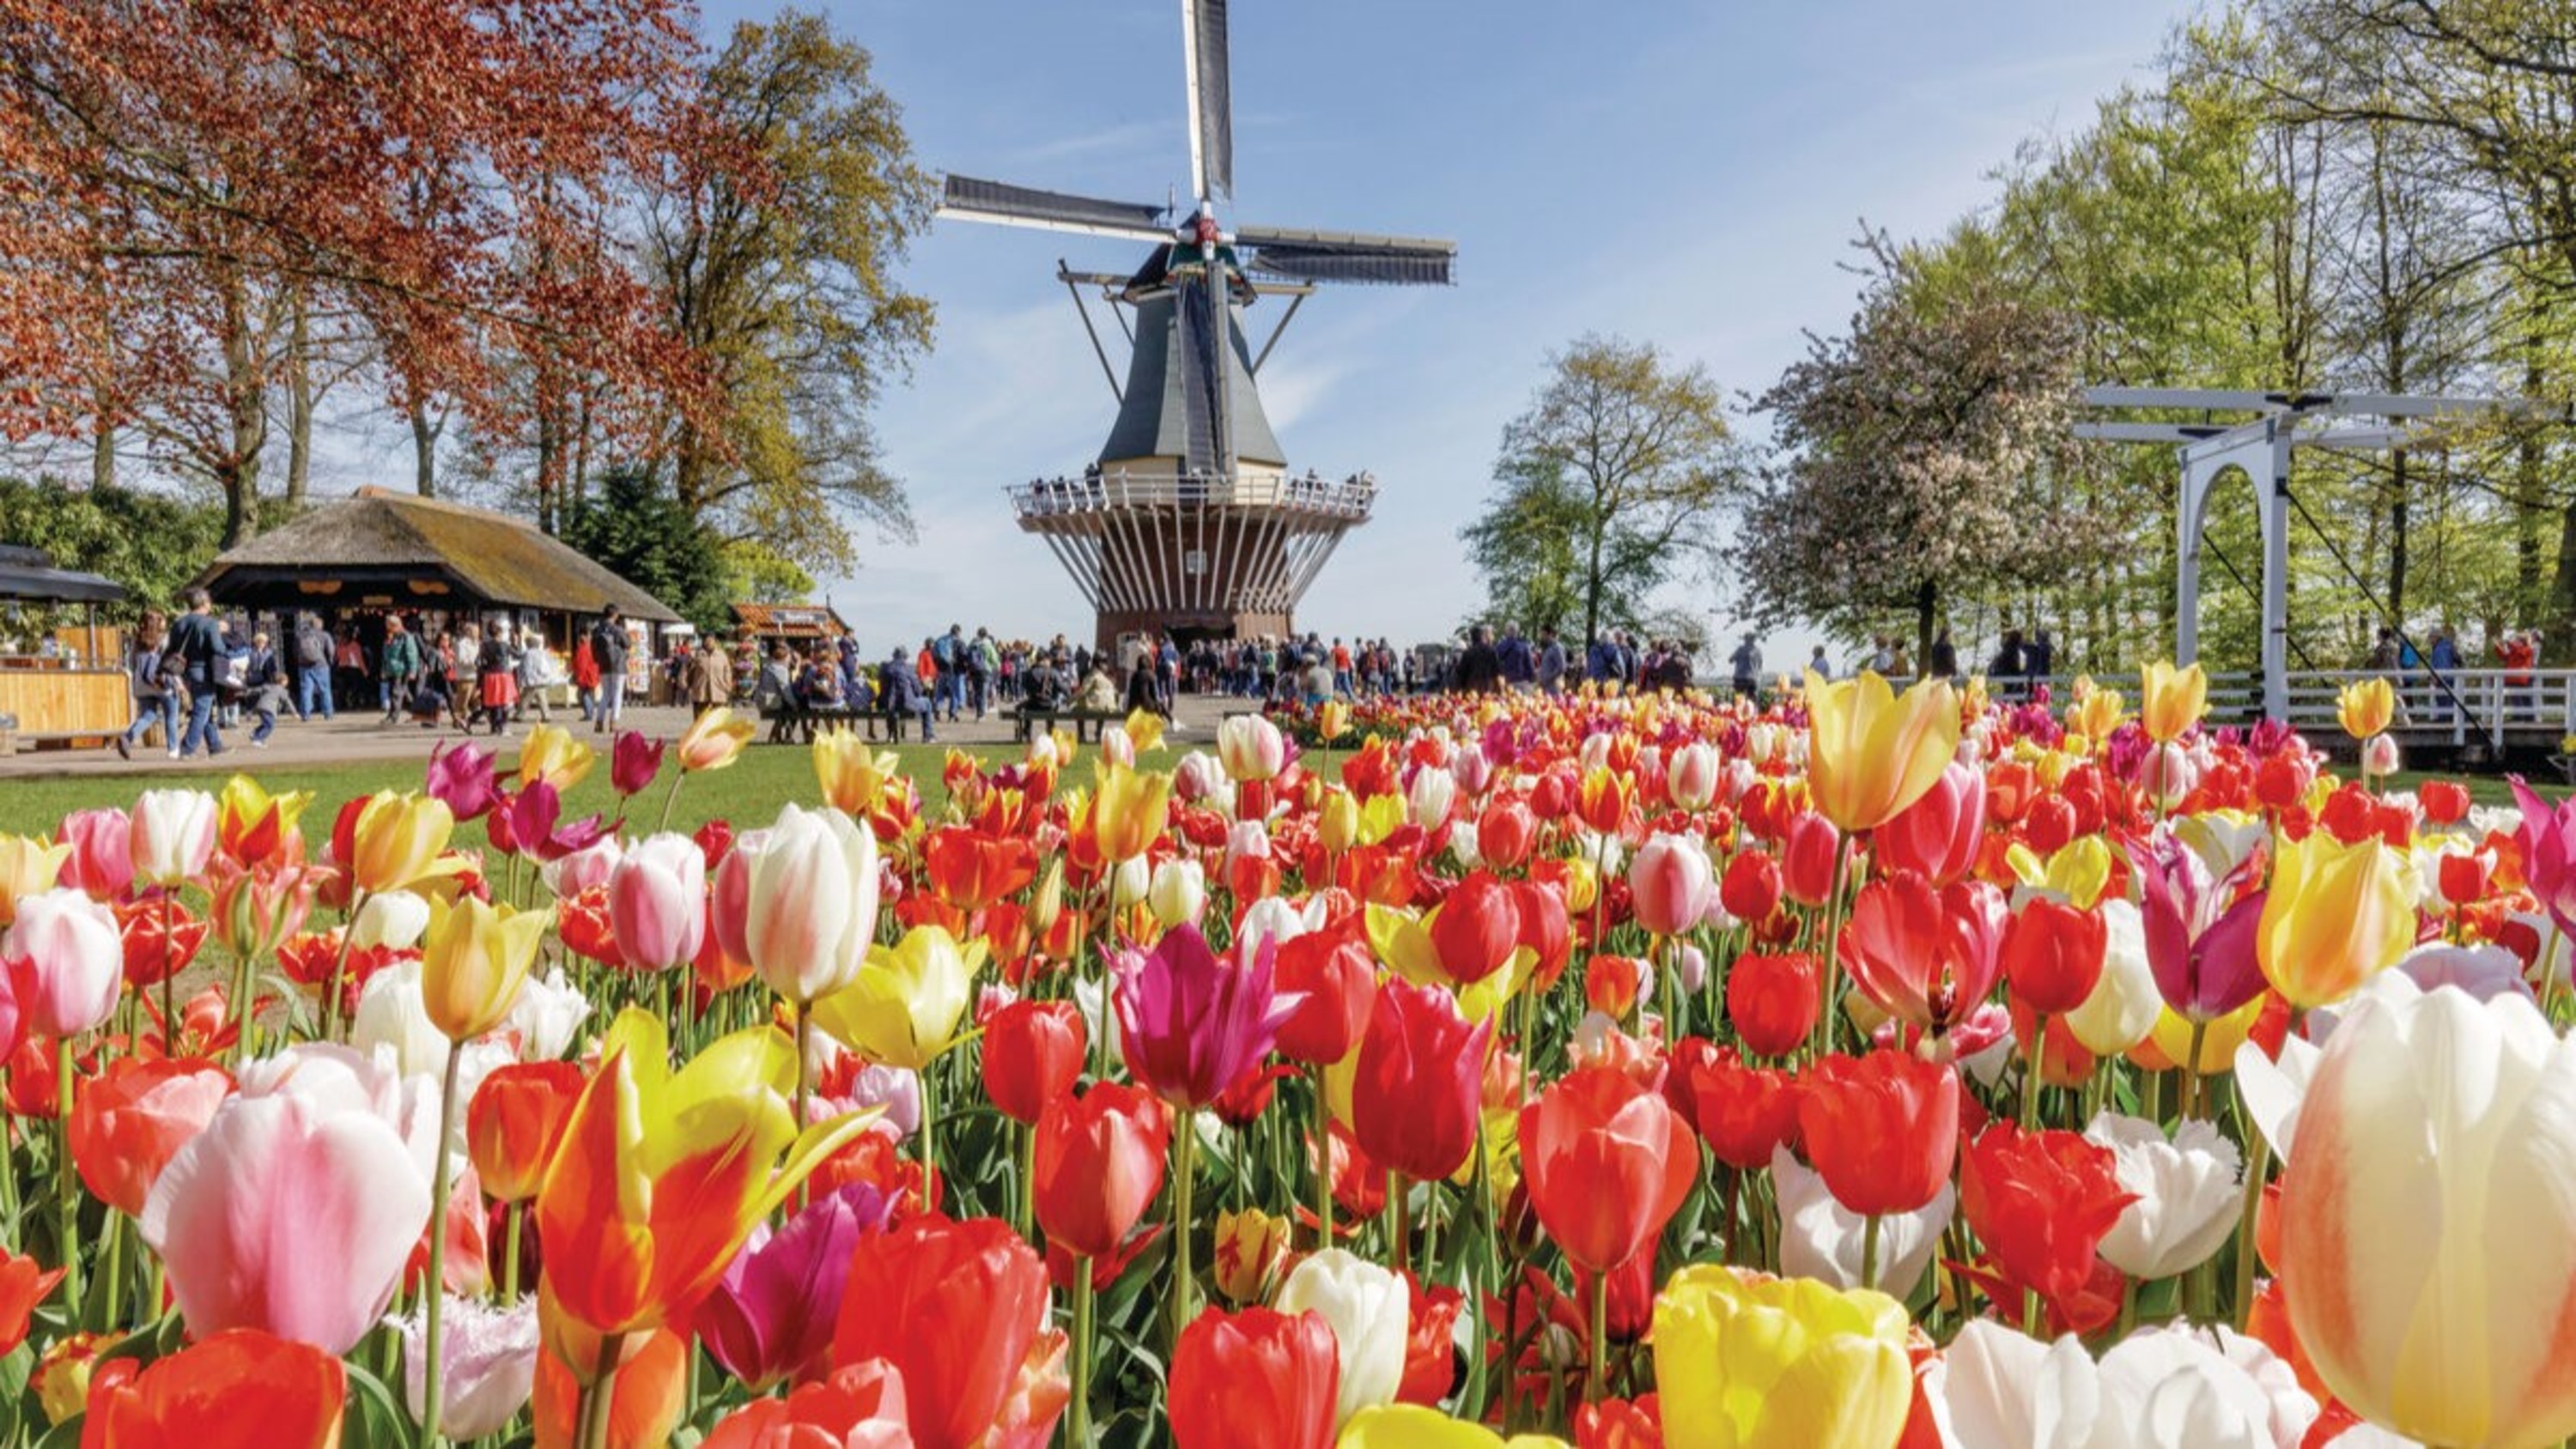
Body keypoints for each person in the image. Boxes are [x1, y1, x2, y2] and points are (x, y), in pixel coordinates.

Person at [165, 587, 228, 759]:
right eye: (209, 601)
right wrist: (224, 640)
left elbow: (172, 649)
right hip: (204, 671)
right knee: (202, 709)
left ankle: (215, 746)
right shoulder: (210, 623)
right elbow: (218, 648)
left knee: (204, 708)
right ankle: (187, 748)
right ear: (204, 603)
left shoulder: (179, 623)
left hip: (186, 672)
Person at [113, 611, 178, 761]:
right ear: (158, 623)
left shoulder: (137, 641)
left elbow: (132, 662)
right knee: (171, 716)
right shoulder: (164, 639)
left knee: (148, 716)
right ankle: (173, 750)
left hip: (143, 685)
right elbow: (171, 661)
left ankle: (127, 738)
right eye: (162, 620)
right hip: (162, 683)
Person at [243, 632, 290, 748]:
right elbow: (247, 666)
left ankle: (257, 731)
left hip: (266, 679)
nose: (262, 644)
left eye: (264, 642)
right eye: (260, 642)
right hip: (254, 678)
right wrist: (246, 675)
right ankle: (251, 716)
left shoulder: (269, 653)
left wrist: (275, 679)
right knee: (254, 695)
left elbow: (273, 667)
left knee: (264, 698)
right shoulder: (251, 652)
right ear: (256, 642)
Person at [589, 605, 630, 734]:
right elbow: (627, 644)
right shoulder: (617, 629)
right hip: (618, 664)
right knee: (617, 694)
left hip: (603, 664)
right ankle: (614, 723)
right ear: (615, 615)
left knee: (605, 694)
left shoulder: (596, 630)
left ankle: (599, 723)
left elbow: (593, 648)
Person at [475, 621, 519, 736]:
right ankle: (502, 726)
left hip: (490, 675)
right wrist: (516, 642)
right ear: (499, 632)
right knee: (504, 701)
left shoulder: (484, 645)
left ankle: (494, 726)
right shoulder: (504, 645)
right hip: (503, 674)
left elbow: (477, 661)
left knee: (494, 702)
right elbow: (518, 654)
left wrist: (484, 669)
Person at [380, 616, 422, 724]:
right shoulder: (391, 637)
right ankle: (419, 712)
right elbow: (386, 655)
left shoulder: (406, 637)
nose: (386, 627)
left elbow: (412, 654)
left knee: (396, 693)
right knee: (398, 693)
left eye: (388, 625)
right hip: (391, 669)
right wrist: (384, 669)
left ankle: (393, 717)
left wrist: (413, 670)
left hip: (401, 670)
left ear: (395, 625)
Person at [292, 614, 334, 721]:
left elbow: (295, 651)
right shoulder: (325, 635)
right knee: (325, 690)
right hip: (321, 665)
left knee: (306, 690)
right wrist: (329, 661)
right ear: (320, 625)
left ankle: (305, 714)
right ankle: (328, 714)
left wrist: (299, 661)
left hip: (304, 666)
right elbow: (330, 650)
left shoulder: (300, 635)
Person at [514, 629, 556, 724]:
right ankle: (547, 715)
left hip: (531, 681)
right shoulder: (542, 653)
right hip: (541, 680)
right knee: (542, 699)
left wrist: (521, 680)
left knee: (525, 699)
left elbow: (525, 668)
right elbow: (546, 666)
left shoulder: (527, 654)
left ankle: (519, 715)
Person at [1453, 625, 1504, 694]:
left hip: (1471, 690)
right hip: (1489, 688)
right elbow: (1498, 671)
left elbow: (1462, 673)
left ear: (1471, 638)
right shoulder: (1492, 651)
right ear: (1482, 636)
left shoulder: (1468, 653)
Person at [1729, 632, 1761, 700]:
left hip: (1740, 678)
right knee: (1751, 699)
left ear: (1745, 640)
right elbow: (1759, 665)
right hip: (1752, 678)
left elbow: (1730, 660)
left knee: (1738, 699)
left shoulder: (1740, 649)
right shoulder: (1757, 651)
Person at [1536, 626, 1568, 694]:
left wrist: (1549, 678)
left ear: (1550, 635)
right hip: (1546, 686)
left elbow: (1562, 667)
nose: (1542, 637)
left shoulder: (1557, 648)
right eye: (1541, 635)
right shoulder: (1547, 649)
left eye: (1544, 635)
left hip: (1554, 687)